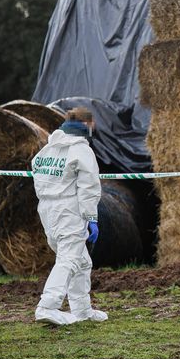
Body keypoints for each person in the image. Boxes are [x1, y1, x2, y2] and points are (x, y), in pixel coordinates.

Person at [31, 107, 107, 325]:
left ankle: (82, 310)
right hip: (70, 212)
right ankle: (47, 306)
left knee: (82, 262)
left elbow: (35, 167)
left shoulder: (49, 149)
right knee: (69, 259)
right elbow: (89, 187)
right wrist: (91, 217)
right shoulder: (82, 151)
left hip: (48, 210)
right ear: (86, 124)